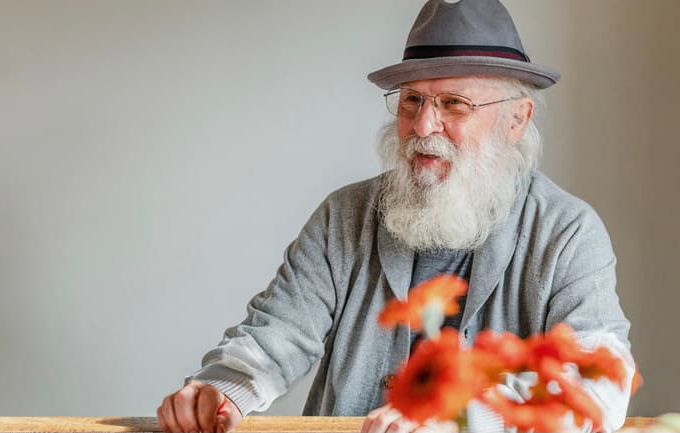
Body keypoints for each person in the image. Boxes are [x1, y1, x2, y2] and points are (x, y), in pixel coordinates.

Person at [157, 1, 635, 432]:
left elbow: (601, 384)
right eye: (412, 100)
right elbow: (276, 335)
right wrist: (220, 392)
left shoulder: (568, 232)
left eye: (453, 103)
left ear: (517, 120)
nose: (424, 126)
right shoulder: (344, 216)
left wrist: (458, 421)